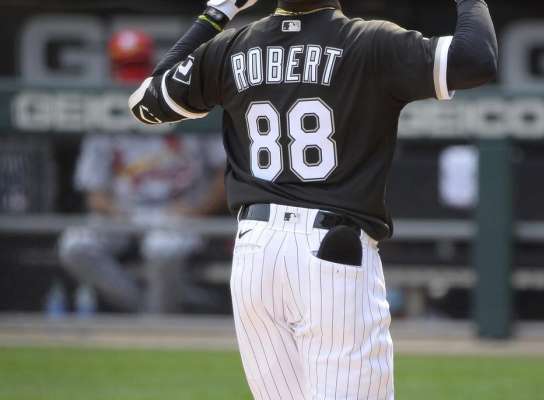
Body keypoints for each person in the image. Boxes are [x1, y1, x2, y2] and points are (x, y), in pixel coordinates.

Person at [129, 0, 497, 397]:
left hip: (256, 252)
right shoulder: (368, 41)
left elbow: (146, 103)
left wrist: (217, 13)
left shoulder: (231, 46)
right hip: (333, 252)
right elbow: (476, 59)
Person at [58, 29, 227, 314]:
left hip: (178, 212)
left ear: (153, 65)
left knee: (162, 249)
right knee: (74, 245)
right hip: (123, 213)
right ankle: (145, 313)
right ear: (112, 70)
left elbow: (226, 172)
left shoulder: (185, 102)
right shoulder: (104, 113)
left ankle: (156, 322)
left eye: (138, 67)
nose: (132, 80)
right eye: (126, 69)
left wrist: (197, 210)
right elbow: (94, 193)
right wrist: (115, 211)